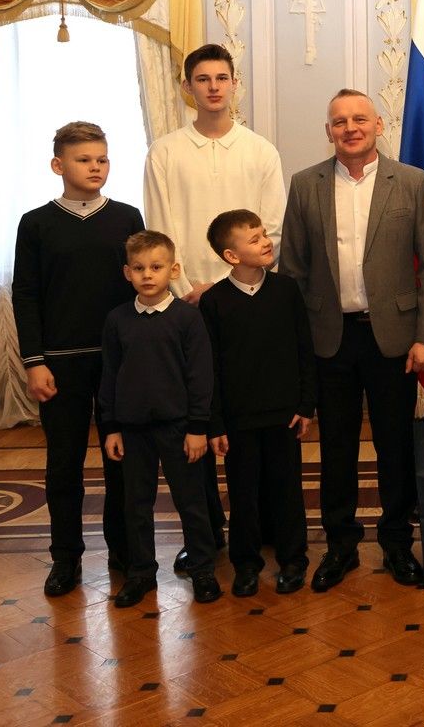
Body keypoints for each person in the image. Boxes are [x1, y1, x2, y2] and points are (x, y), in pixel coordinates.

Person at [281, 89, 424, 591]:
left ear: (378, 125)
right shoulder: (305, 184)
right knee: (336, 448)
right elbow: (293, 270)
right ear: (328, 131)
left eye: (359, 119)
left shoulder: (411, 182)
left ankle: (396, 543)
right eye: (339, 122)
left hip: (393, 338)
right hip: (329, 338)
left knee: (396, 446)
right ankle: (340, 546)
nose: (350, 128)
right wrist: (296, 347)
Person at [143, 43, 286, 570]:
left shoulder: (260, 151)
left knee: (251, 413)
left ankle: (264, 522)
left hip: (247, 301)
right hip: (186, 302)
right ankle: (203, 532)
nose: (213, 87)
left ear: (234, 83)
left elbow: (272, 228)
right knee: (196, 419)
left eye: (221, 78)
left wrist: (226, 284)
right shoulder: (165, 152)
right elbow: (160, 228)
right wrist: (190, 289)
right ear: (188, 88)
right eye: (202, 79)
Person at [12, 121, 144, 597]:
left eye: (102, 159)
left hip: (118, 363)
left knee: (122, 463)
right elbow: (26, 295)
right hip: (59, 364)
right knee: (63, 465)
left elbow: (143, 288)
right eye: (84, 159)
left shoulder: (127, 217)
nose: (95, 167)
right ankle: (65, 558)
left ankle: (125, 553)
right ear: (58, 165)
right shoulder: (36, 223)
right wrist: (34, 362)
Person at [98, 231, 221, 608]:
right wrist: (111, 427)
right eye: (139, 268)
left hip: (180, 428)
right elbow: (110, 375)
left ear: (174, 270)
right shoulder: (117, 319)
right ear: (127, 273)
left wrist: (198, 427)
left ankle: (202, 568)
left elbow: (201, 375)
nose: (147, 275)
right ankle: (140, 573)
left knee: (192, 502)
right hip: (133, 429)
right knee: (136, 504)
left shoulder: (187, 318)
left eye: (156, 267)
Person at [200, 209, 317, 598]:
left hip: (284, 414)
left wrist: (306, 404)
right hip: (238, 420)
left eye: (264, 234)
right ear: (231, 256)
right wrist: (215, 423)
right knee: (243, 493)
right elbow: (211, 368)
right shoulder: (214, 301)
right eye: (254, 239)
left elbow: (303, 349)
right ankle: (246, 565)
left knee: (287, 490)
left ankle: (293, 560)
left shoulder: (286, 290)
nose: (266, 242)